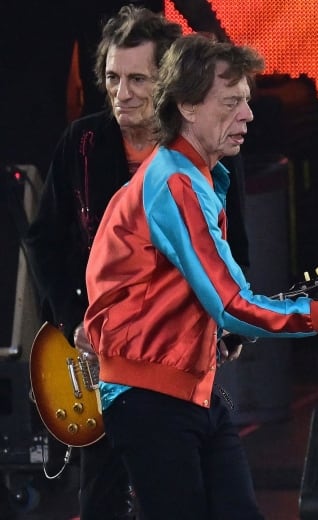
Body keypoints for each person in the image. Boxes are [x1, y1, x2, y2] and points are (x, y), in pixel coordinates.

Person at [82, 33, 318, 519]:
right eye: (231, 103)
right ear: (187, 106)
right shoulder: (176, 182)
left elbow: (188, 298)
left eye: (246, 102)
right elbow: (231, 303)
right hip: (151, 399)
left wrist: (214, 334)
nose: (248, 115)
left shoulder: (198, 177)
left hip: (190, 390)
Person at [24, 6, 250, 519]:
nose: (122, 93)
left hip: (177, 369)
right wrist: (74, 318)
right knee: (102, 501)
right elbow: (44, 242)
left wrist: (231, 331)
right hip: (99, 362)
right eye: (112, 78)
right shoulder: (82, 143)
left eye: (138, 79)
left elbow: (235, 257)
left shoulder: (205, 152)